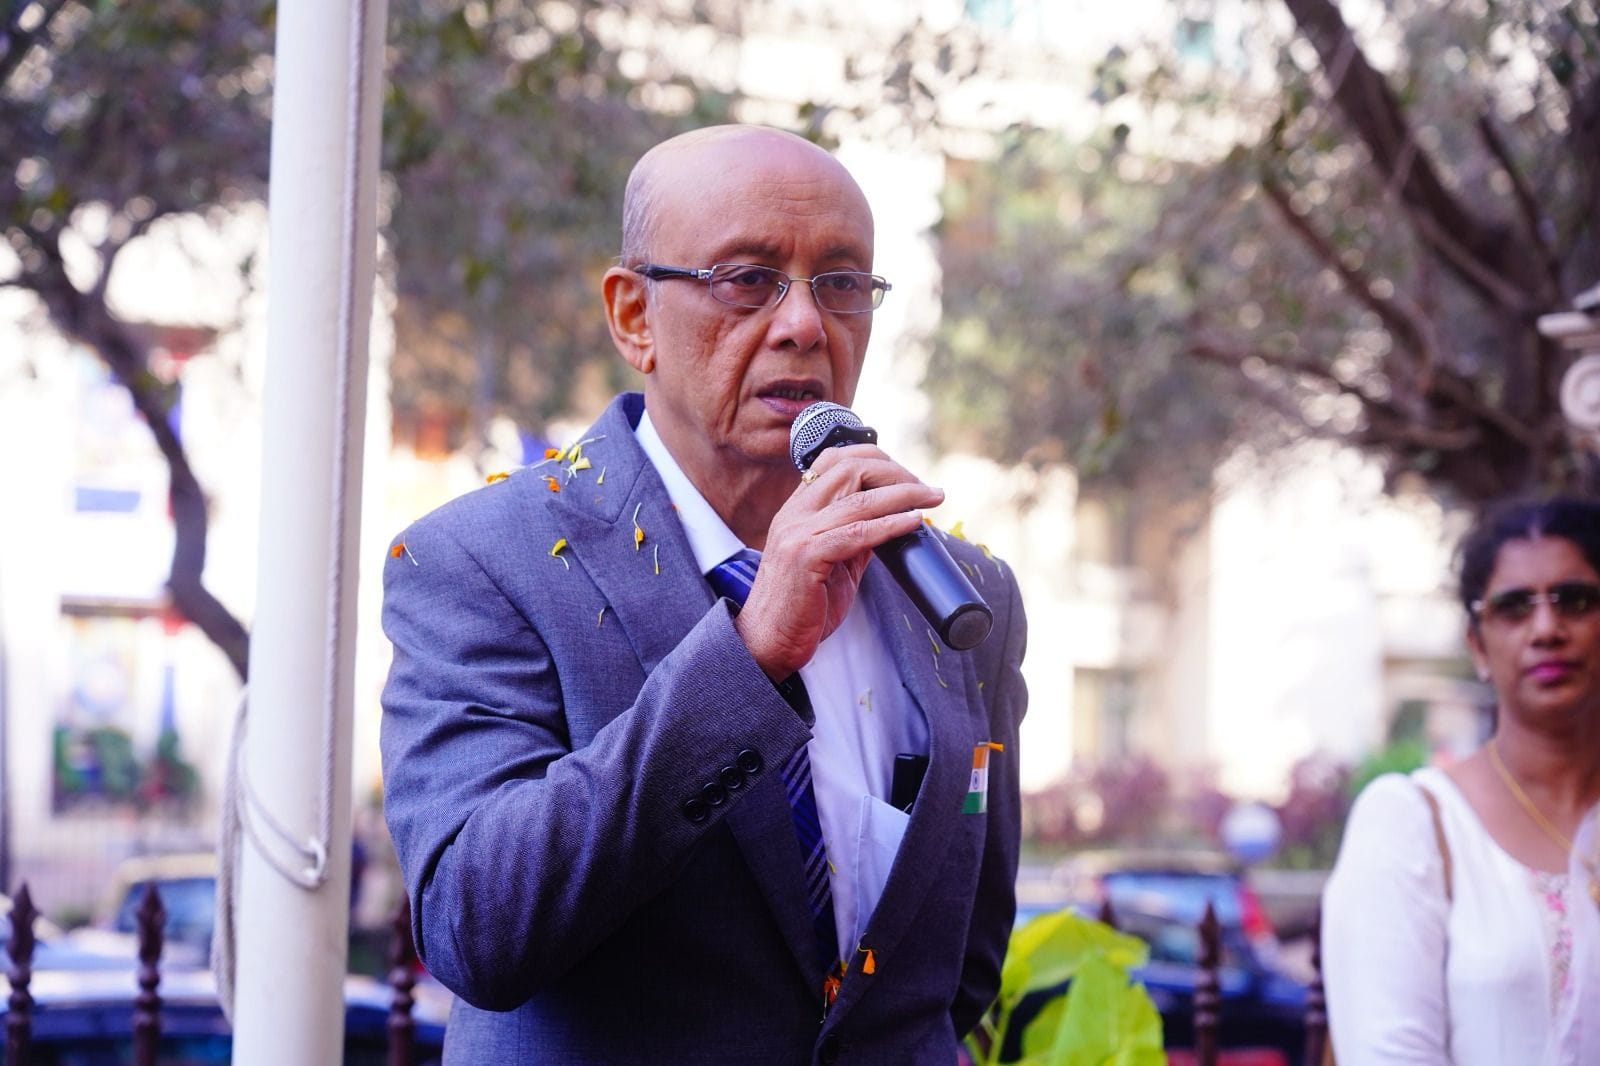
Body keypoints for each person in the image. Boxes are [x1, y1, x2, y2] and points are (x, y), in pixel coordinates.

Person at [379, 125, 1028, 1064]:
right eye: (748, 279)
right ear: (633, 315)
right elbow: (478, 928)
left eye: (842, 282)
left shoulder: (960, 596)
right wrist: (750, 657)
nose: (805, 325)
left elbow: (958, 970)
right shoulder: (479, 562)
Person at [1322, 495, 1600, 1064]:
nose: (1546, 629)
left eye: (1574, 601)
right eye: (1513, 608)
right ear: (1477, 645)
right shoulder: (1414, 825)